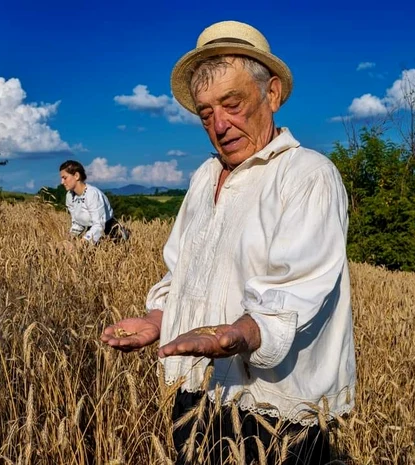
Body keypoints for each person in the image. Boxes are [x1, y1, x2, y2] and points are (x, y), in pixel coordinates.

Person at [101, 20, 355, 465]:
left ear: (271, 95)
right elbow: (182, 268)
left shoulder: (307, 176)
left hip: (277, 413)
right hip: (200, 392)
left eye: (232, 104)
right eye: (205, 113)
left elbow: (298, 286)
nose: (220, 125)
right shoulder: (204, 177)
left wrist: (241, 334)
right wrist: (160, 317)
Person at [60, 160, 129, 244]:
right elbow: (76, 223)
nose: (62, 182)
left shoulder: (92, 194)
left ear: (76, 176)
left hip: (110, 234)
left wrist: (83, 242)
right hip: (91, 233)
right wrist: (70, 239)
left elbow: (99, 225)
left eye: (65, 178)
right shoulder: (69, 196)